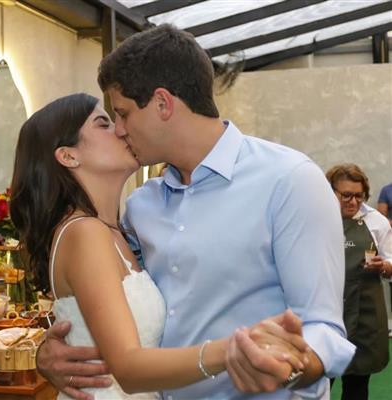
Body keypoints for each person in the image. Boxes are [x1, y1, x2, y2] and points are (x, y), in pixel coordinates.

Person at [36, 24, 355, 400]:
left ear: (162, 104)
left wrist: (286, 367)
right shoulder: (141, 206)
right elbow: (108, 300)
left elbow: (321, 327)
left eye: (122, 114)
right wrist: (50, 349)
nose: (119, 130)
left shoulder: (289, 181)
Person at [10, 93, 308, 400]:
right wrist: (237, 347)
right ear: (68, 156)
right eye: (104, 123)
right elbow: (127, 367)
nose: (121, 130)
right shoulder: (85, 232)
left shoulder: (122, 227)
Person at [326, 164, 392, 400]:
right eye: (346, 195)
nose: (353, 202)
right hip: (327, 313)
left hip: (365, 314)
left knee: (357, 385)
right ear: (330, 191)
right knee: (318, 384)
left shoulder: (377, 222)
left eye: (359, 196)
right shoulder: (316, 219)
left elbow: (391, 261)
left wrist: (383, 266)